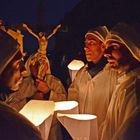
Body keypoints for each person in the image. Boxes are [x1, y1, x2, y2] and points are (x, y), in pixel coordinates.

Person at [68, 26, 118, 129]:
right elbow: (72, 102)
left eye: (91, 43)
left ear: (103, 46)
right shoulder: (81, 74)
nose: (86, 48)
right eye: (86, 44)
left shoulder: (115, 74)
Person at [100, 23, 140, 140]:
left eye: (114, 46)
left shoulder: (135, 90)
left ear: (131, 48)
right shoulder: (124, 83)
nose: (106, 53)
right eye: (106, 47)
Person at [0, 30, 42, 140]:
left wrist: (48, 93)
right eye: (18, 64)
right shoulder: (18, 129)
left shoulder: (53, 81)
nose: (24, 70)